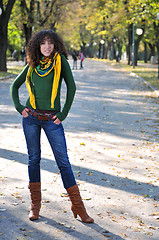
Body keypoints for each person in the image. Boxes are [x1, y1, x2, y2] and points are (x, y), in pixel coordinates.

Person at [10, 30, 94, 223]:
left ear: (55, 45)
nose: (47, 46)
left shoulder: (60, 62)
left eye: (50, 43)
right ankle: (35, 205)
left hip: (51, 120)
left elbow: (71, 87)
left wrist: (63, 113)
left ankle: (78, 206)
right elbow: (14, 86)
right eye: (43, 43)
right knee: (33, 159)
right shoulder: (33, 63)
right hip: (31, 118)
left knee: (63, 161)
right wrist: (19, 107)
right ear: (37, 46)